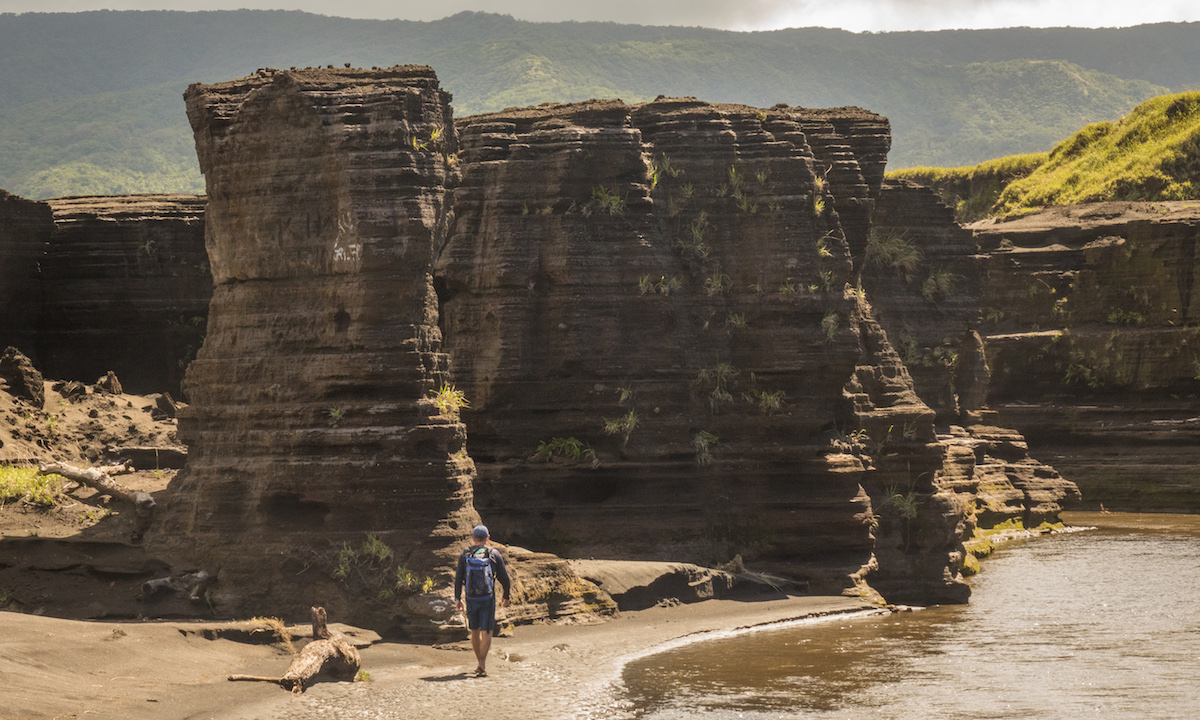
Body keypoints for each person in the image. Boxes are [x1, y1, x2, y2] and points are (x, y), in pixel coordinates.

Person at [454, 524, 512, 677]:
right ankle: (482, 664)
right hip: (488, 598)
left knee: (474, 630)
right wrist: (506, 595)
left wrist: (457, 598)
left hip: (471, 597)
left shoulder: (465, 554)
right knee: (486, 631)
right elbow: (505, 578)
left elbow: (459, 578)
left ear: (473, 538)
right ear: (488, 538)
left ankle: (478, 661)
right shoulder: (493, 553)